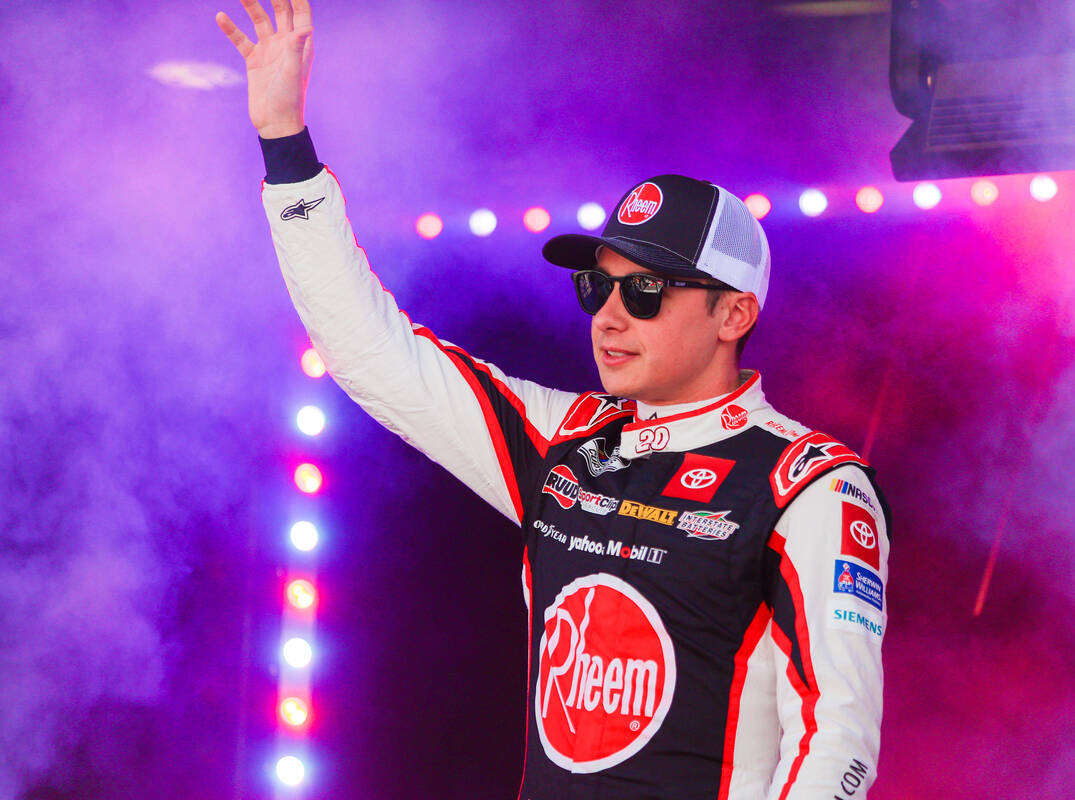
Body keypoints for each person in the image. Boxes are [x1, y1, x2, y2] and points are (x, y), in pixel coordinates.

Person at [217, 1, 891, 797]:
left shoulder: (809, 485)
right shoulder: (564, 440)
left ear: (734, 314)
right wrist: (286, 148)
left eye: (645, 291)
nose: (610, 314)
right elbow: (369, 352)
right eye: (596, 287)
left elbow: (838, 743)